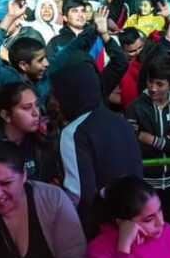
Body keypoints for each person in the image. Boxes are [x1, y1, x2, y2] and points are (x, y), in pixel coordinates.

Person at [53, 60, 144, 236]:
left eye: (56, 95)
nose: (53, 102)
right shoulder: (120, 120)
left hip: (96, 228)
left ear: (70, 95)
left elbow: (78, 194)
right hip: (132, 219)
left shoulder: (74, 133)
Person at [125, 53, 170, 225]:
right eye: (150, 82)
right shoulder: (136, 107)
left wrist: (154, 140)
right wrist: (169, 139)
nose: (153, 88)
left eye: (160, 84)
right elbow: (134, 147)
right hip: (145, 184)